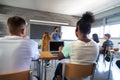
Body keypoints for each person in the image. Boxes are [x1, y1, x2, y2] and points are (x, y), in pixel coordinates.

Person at [53, 12, 99, 80]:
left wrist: (61, 50)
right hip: (87, 77)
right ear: (89, 31)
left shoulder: (71, 45)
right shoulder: (96, 45)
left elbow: (59, 57)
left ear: (77, 30)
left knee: (60, 65)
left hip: (72, 77)